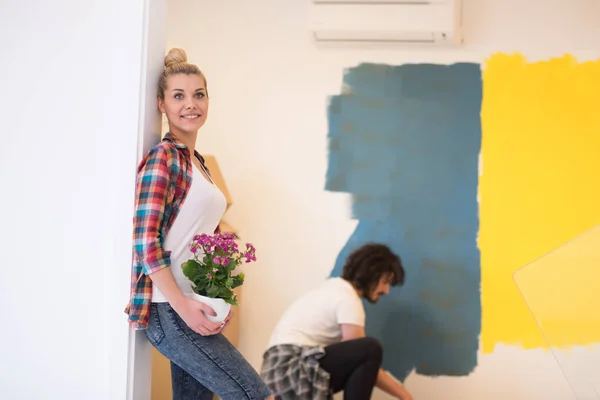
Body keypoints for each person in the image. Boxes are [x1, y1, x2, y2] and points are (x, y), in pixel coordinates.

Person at [124, 48, 273, 400]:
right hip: (169, 309)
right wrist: (184, 306)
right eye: (178, 96)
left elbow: (204, 244)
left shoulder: (198, 164)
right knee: (256, 395)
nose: (190, 104)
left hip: (192, 304)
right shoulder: (163, 158)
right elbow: (145, 241)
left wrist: (218, 300)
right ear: (162, 103)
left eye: (198, 94)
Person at [260, 243, 414, 400]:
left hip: (274, 377)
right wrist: (405, 396)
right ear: (371, 273)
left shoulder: (332, 289)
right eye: (385, 281)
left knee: (365, 353)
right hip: (290, 371)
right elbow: (365, 358)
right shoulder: (348, 299)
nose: (386, 290)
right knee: (370, 349)